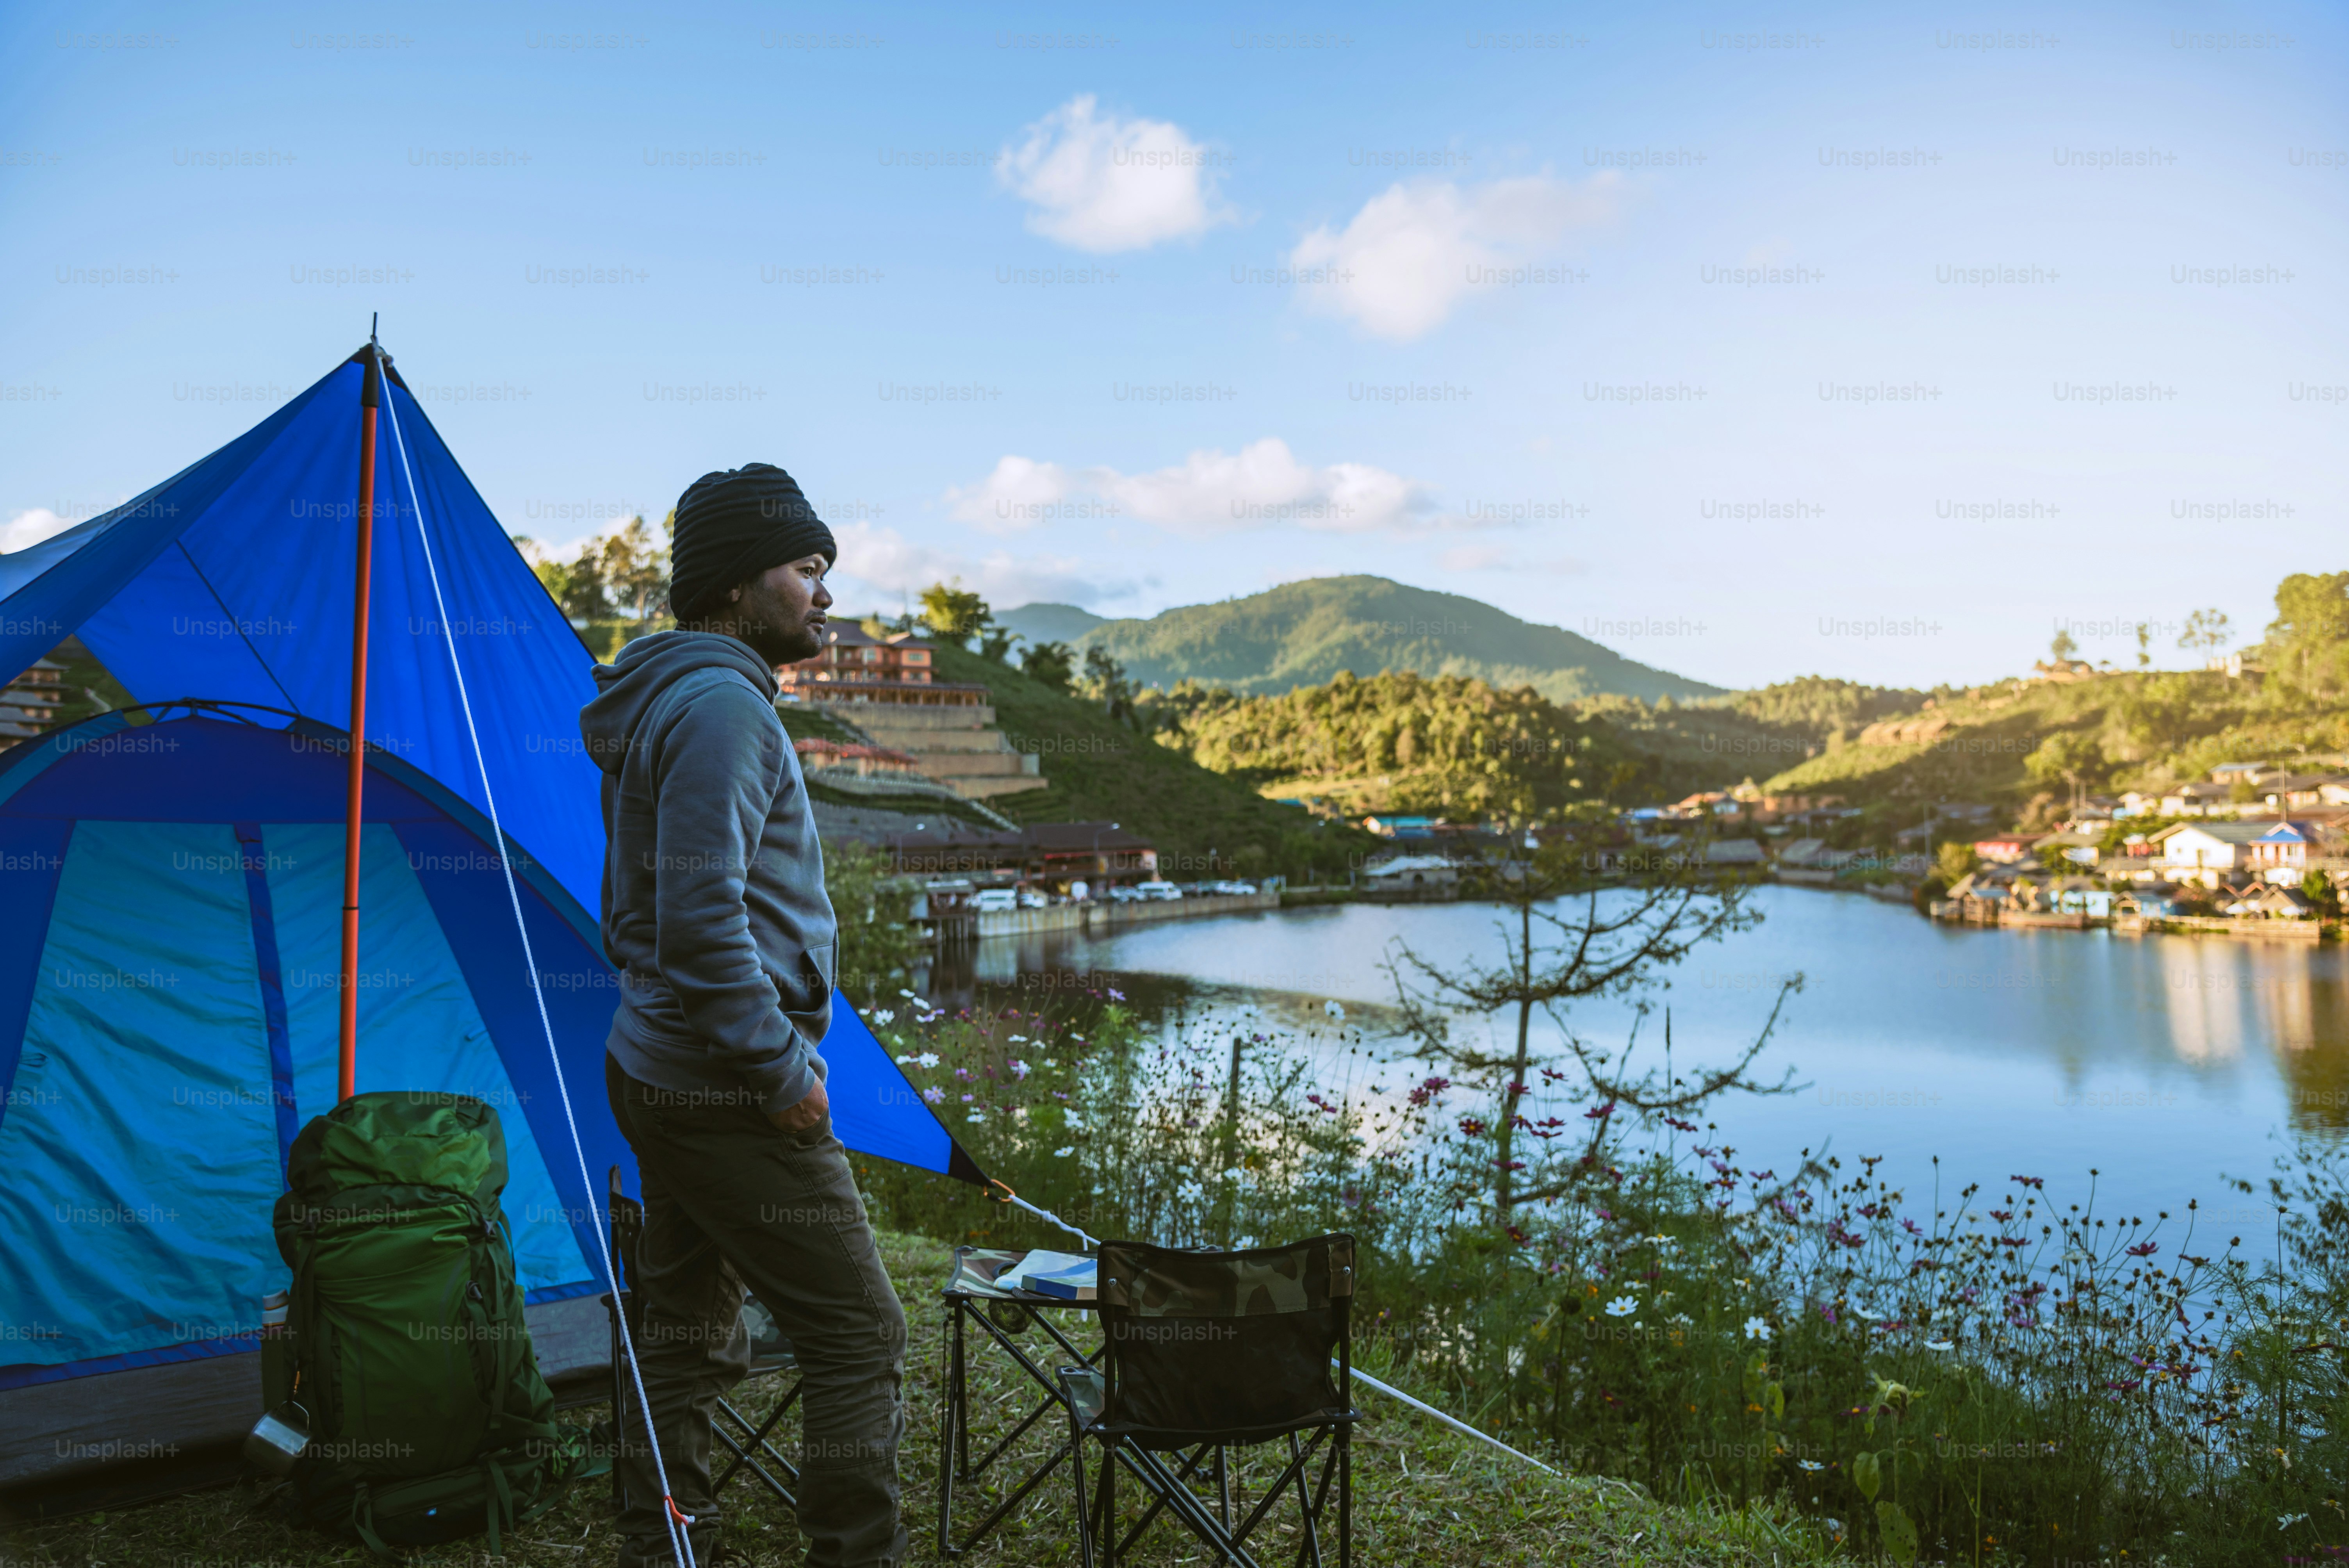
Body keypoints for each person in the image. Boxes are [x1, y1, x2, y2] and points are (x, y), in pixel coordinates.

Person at [581, 463, 906, 1568]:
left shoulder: (673, 695)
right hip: (724, 1083)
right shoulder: (723, 709)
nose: (826, 594)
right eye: (806, 568)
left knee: (682, 1332)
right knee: (858, 1333)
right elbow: (700, 924)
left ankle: (668, 1547)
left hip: (661, 1064)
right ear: (733, 583)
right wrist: (782, 1073)